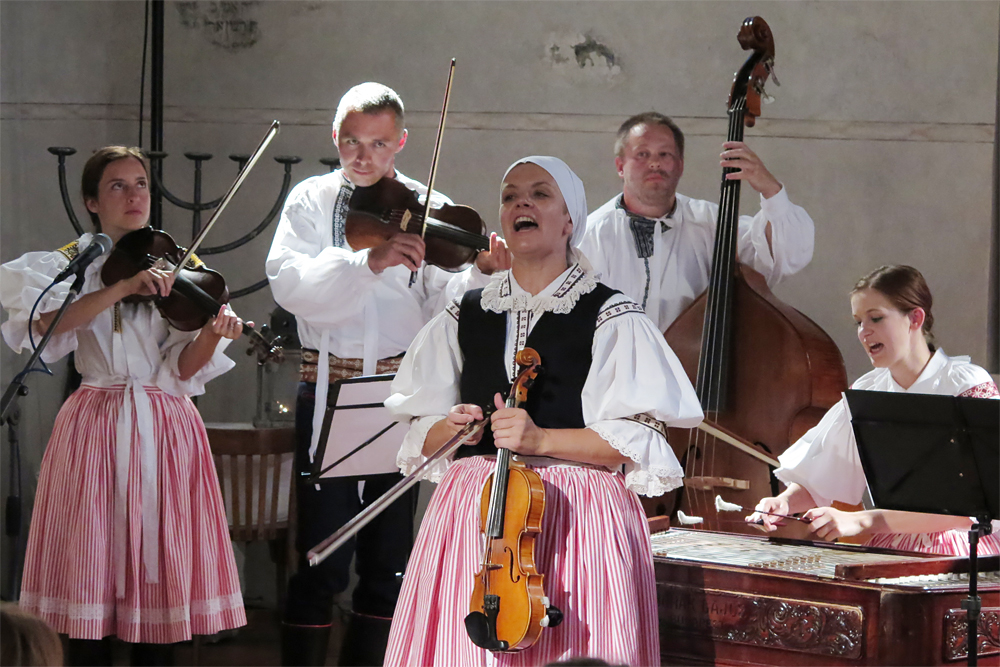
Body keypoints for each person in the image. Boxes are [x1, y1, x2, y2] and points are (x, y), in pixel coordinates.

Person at [382, 156, 704, 666]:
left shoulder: (610, 313)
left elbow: (638, 438)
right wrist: (450, 428)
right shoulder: (463, 313)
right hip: (479, 515)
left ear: (569, 220)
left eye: (539, 194)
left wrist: (541, 441)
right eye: (510, 196)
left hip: (578, 514)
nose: (521, 203)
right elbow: (417, 431)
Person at [266, 82, 505, 666]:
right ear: (335, 137)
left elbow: (444, 305)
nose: (363, 156)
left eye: (377, 143)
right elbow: (290, 285)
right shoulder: (311, 201)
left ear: (400, 141)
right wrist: (366, 260)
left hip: (401, 396)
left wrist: (481, 272)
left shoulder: (428, 207)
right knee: (323, 551)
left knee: (389, 555)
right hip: (328, 386)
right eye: (351, 142)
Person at [0, 146, 247, 666]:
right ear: (92, 201)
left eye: (141, 184)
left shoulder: (180, 266)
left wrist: (211, 334)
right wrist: (122, 287)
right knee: (89, 571)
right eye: (118, 185)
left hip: (165, 424)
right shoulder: (73, 265)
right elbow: (45, 326)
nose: (135, 195)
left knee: (158, 587)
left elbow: (182, 371)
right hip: (96, 419)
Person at [748, 265, 1000, 555]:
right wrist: (785, 503)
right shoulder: (868, 390)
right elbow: (825, 471)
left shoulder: (965, 383)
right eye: (858, 321)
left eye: (876, 318)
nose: (863, 332)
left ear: (915, 318)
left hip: (961, 552)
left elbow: (975, 505)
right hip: (887, 550)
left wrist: (863, 520)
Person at [580, 111, 815, 331]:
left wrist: (770, 190)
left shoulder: (713, 223)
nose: (655, 163)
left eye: (665, 154)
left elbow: (785, 257)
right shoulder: (589, 235)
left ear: (680, 166)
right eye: (642, 154)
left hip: (693, 374)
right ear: (621, 167)